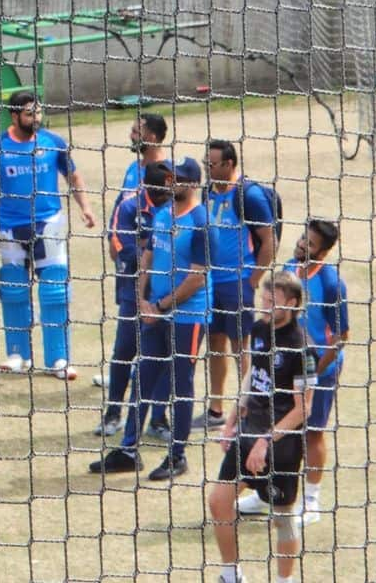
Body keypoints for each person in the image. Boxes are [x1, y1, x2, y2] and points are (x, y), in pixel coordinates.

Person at [89, 157, 218, 479]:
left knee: (181, 385)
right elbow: (146, 258)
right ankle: (129, 450)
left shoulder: (201, 223)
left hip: (187, 317)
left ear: (190, 184)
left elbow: (196, 279)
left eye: (176, 178)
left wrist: (158, 307)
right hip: (154, 312)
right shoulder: (162, 214)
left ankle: (177, 456)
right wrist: (141, 300)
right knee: (142, 378)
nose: (169, 182)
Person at [0, 91, 96, 379]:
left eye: (38, 112)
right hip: (10, 229)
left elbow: (73, 176)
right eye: (30, 113)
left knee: (55, 293)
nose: (36, 118)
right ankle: (18, 355)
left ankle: (59, 359)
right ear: (14, 115)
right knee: (13, 291)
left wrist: (86, 207)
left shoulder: (53, 142)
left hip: (49, 226)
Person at [238, 219, 349, 526]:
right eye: (303, 238)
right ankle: (264, 494)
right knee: (275, 430)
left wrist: (313, 372)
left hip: (317, 371)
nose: (302, 244)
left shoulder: (331, 283)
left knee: (312, 432)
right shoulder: (289, 269)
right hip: (282, 370)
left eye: (310, 244)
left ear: (324, 252)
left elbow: (341, 337)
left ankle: (311, 500)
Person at [209, 271, 317, 583]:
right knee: (218, 501)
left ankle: (285, 580)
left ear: (292, 304)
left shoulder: (302, 348)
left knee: (282, 519)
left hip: (280, 446)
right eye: (264, 299)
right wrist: (232, 419)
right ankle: (231, 574)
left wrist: (266, 441)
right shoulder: (258, 329)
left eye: (272, 301)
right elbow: (253, 377)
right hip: (248, 434)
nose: (265, 306)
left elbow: (304, 407)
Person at [192, 140, 276, 431]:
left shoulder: (248, 196)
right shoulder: (206, 192)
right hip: (210, 283)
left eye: (211, 164)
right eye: (205, 164)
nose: (207, 169)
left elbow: (269, 242)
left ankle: (248, 411)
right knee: (214, 344)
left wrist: (251, 279)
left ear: (229, 164)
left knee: (242, 348)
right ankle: (215, 409)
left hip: (236, 284)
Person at [93, 113, 167, 390]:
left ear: (153, 137)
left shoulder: (165, 173)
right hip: (127, 263)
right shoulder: (132, 168)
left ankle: (142, 377)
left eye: (137, 131)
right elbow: (119, 207)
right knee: (127, 325)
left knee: (150, 325)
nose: (131, 135)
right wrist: (114, 241)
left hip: (153, 265)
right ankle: (124, 372)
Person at [93, 174, 168, 436]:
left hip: (166, 294)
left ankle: (158, 419)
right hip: (132, 292)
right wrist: (155, 252)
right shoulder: (129, 205)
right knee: (124, 352)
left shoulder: (176, 207)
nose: (164, 193)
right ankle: (112, 414)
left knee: (163, 357)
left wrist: (148, 247)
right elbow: (122, 247)